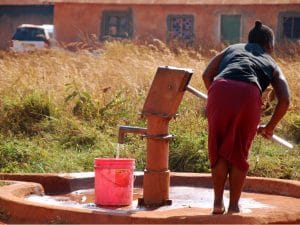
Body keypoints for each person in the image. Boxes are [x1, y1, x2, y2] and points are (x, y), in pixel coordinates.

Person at [202, 20, 290, 214]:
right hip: (249, 94)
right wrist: (269, 127)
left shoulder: (232, 49)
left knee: (217, 147)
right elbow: (285, 100)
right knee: (239, 151)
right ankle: (233, 206)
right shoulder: (270, 61)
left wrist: (218, 98)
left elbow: (206, 74)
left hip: (219, 88)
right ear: (269, 45)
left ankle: (217, 203)